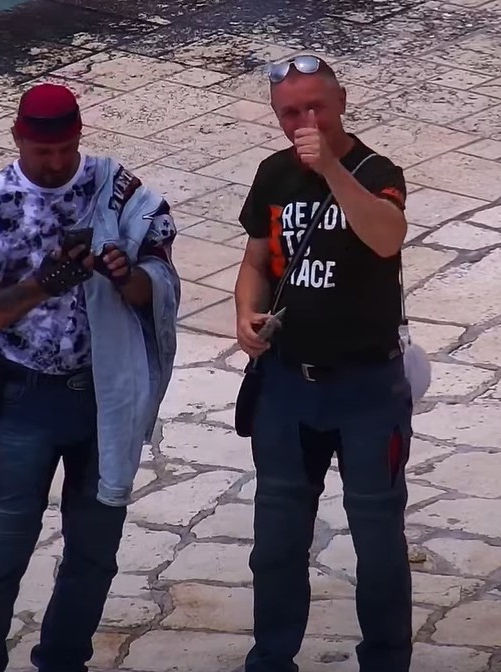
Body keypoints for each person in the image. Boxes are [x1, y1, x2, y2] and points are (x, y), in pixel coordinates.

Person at [0, 83, 180, 672]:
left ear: (79, 137)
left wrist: (126, 276)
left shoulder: (115, 188)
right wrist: (40, 284)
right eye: (42, 152)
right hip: (24, 400)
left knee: (94, 554)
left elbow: (154, 287)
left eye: (65, 151)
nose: (55, 164)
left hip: (105, 396)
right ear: (18, 139)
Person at [234, 56, 413, 672]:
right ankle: (271, 657)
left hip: (366, 387)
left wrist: (331, 168)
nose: (304, 120)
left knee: (378, 539)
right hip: (289, 386)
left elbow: (387, 236)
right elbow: (256, 261)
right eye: (291, 112)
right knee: (276, 542)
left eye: (315, 106)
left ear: (340, 103)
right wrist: (246, 313)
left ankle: (385, 661)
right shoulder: (273, 175)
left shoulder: (377, 171)